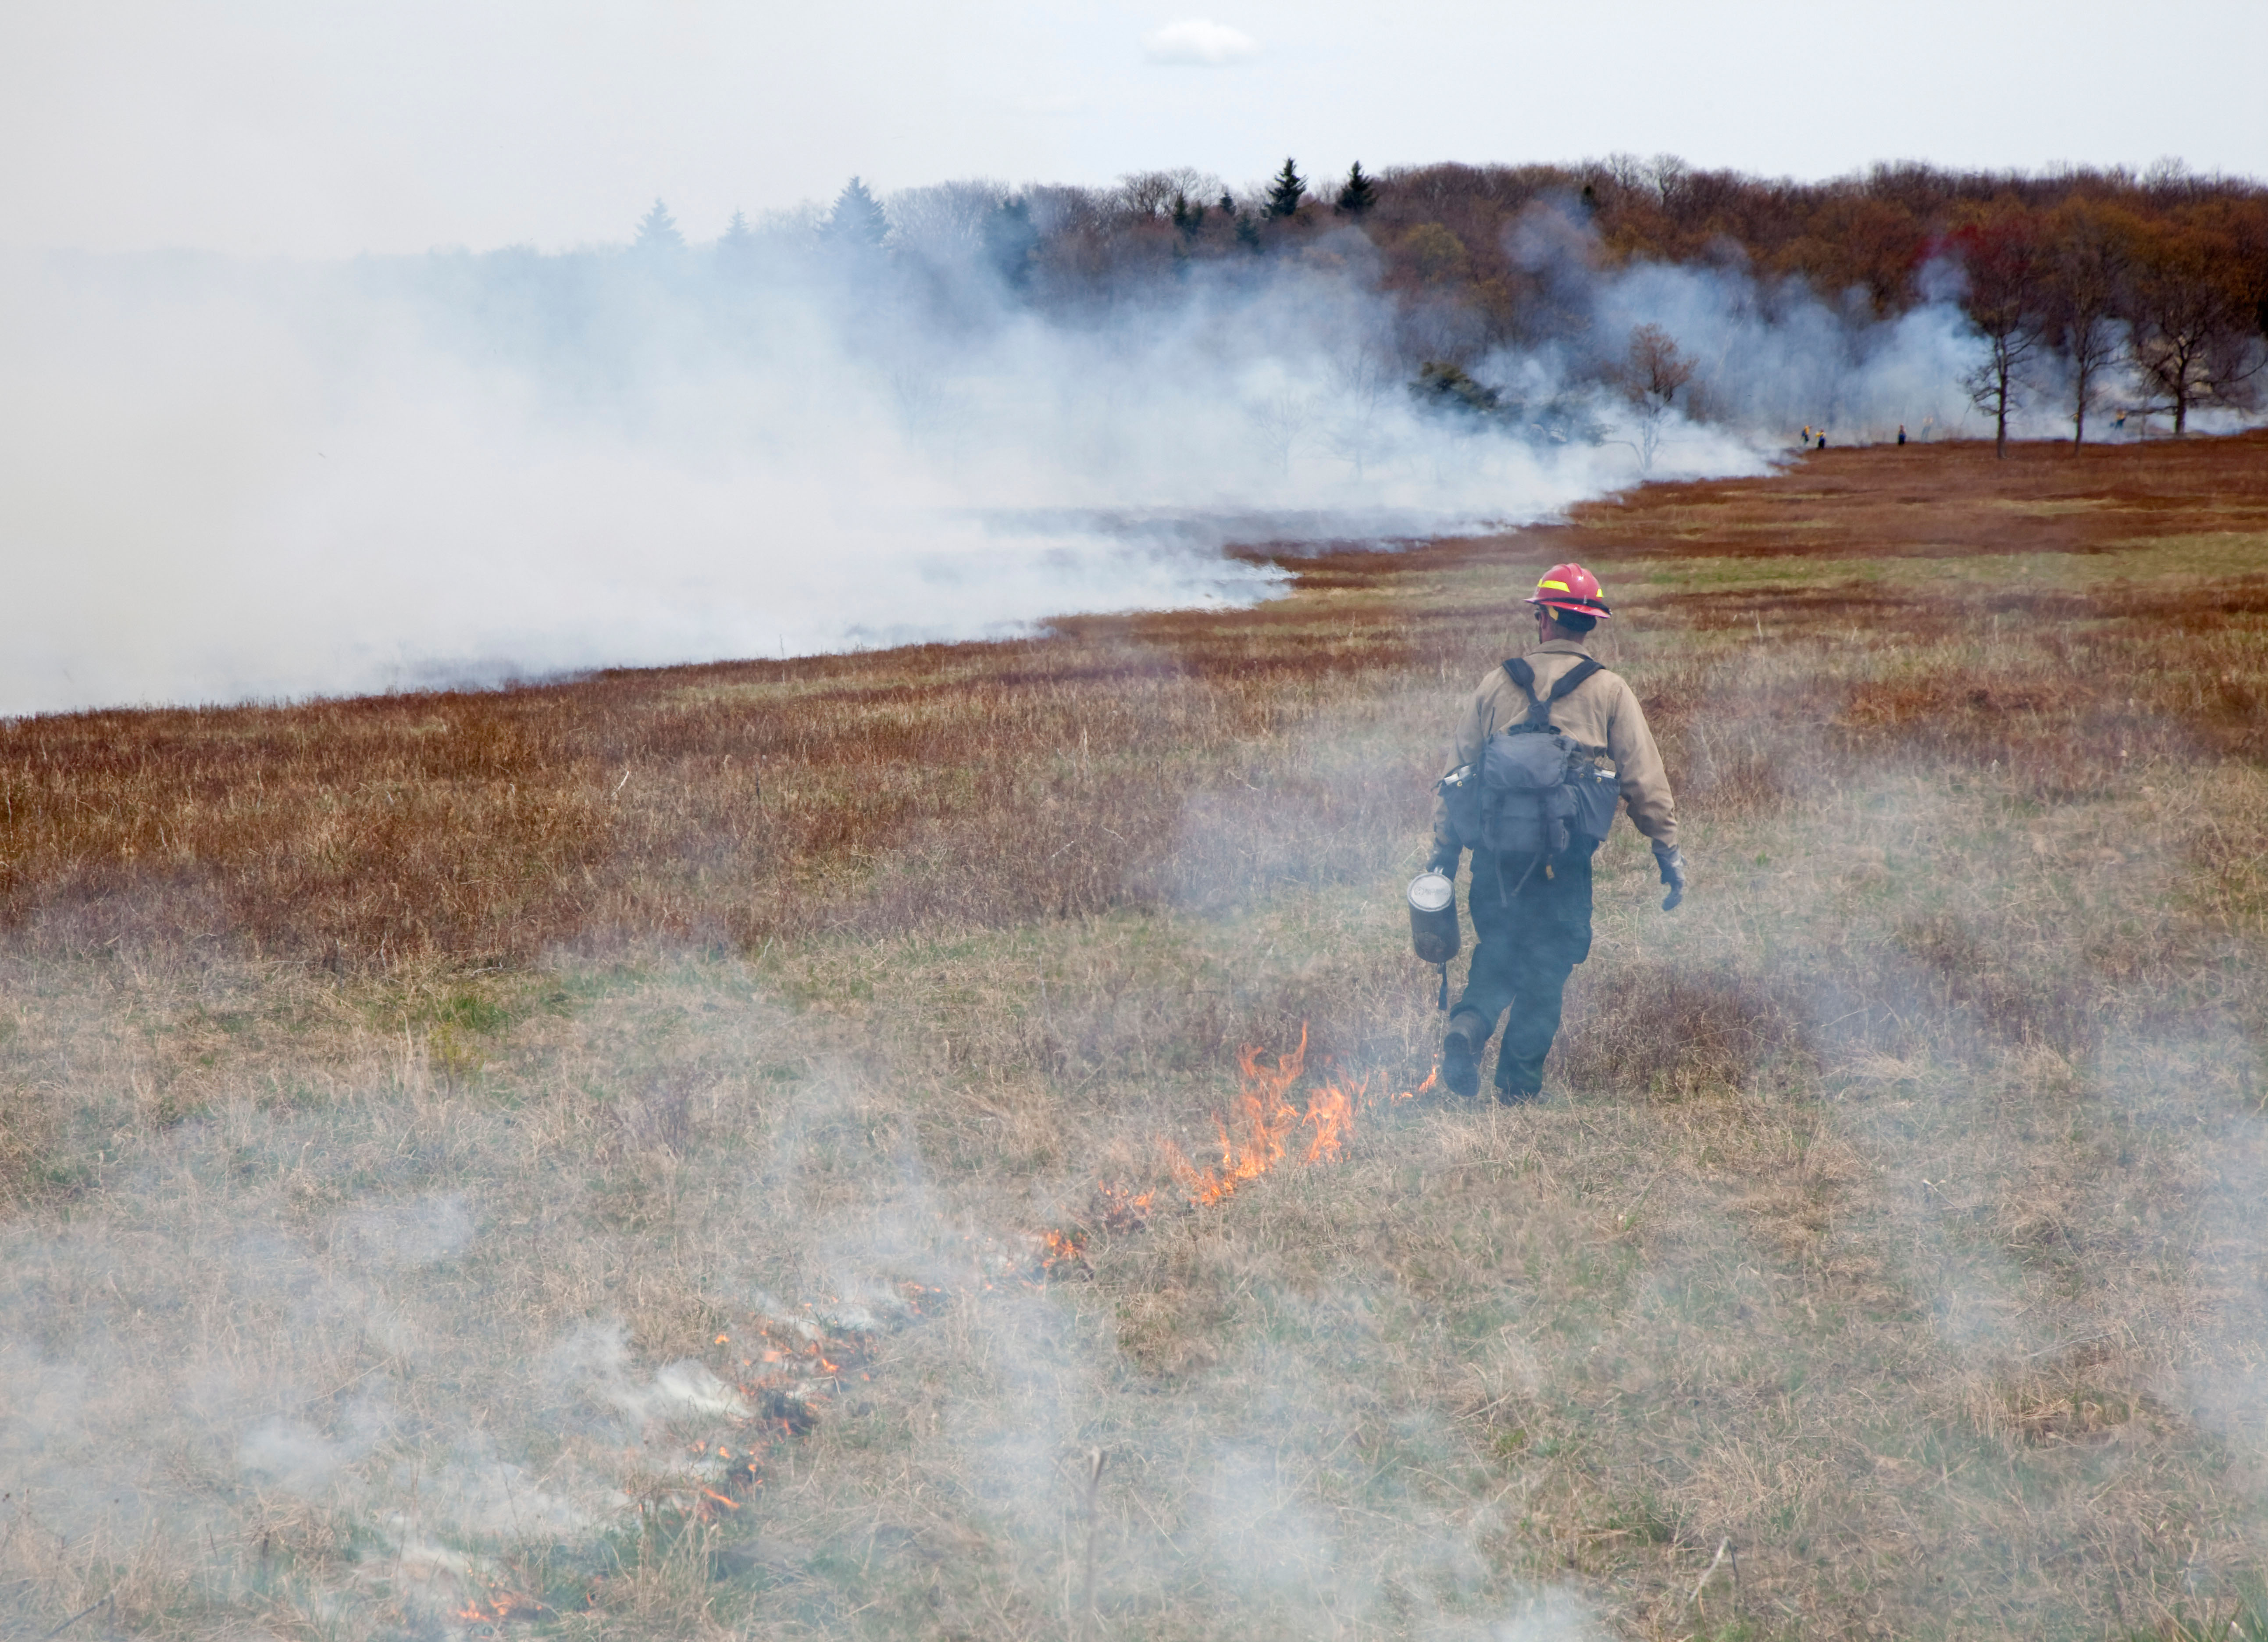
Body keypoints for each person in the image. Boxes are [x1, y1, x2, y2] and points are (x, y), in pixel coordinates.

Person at [1426, 565, 1683, 1103]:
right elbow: (1644, 781)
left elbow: (1457, 778)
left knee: (1499, 946)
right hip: (1565, 864)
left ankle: (1469, 1025)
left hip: (1495, 859)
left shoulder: (1496, 683)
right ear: (1589, 626)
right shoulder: (1609, 689)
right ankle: (1517, 1089)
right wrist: (1668, 851)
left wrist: (1443, 858)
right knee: (1547, 967)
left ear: (1543, 619)